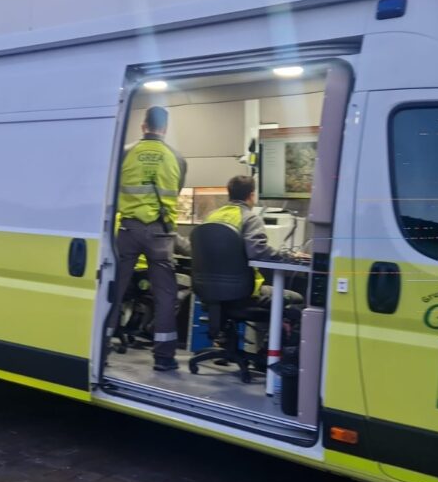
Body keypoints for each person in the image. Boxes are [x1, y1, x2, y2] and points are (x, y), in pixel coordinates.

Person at [113, 106, 187, 372]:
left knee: (113, 289)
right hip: (160, 234)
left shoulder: (124, 153)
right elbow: (176, 191)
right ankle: (164, 357)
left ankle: (100, 347)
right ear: (164, 128)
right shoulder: (177, 158)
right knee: (165, 295)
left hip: (128, 230)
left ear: (143, 126)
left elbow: (113, 190)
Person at [203, 175, 304, 307]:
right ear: (251, 195)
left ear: (230, 193)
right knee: (297, 298)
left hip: (210, 291)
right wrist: (288, 256)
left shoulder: (211, 216)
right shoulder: (250, 218)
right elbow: (257, 251)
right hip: (244, 292)